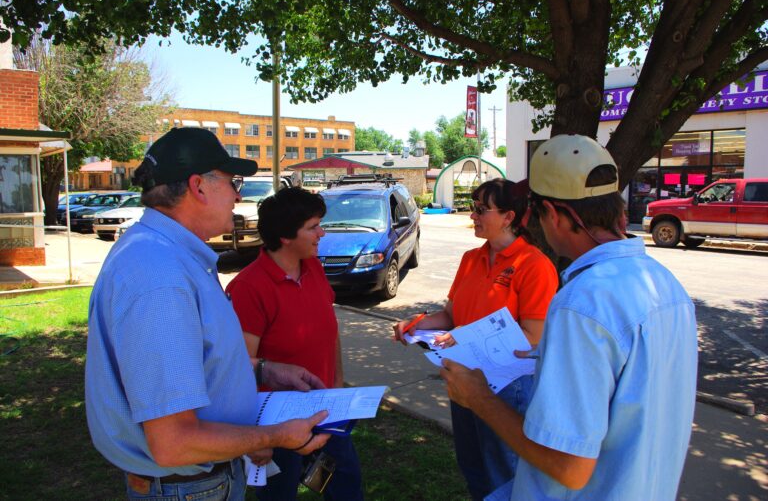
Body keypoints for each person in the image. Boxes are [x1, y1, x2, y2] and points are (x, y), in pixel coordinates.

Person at [441, 134, 698, 500]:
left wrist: (478, 397)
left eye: (535, 212)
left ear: (553, 214)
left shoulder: (582, 304)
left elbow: (569, 467)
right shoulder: (666, 287)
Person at [85, 128, 331, 501]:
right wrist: (275, 436)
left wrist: (264, 370)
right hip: (189, 488)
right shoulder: (161, 276)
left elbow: (193, 361)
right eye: (233, 182)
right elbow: (174, 443)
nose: (238, 194)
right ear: (199, 186)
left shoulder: (167, 256)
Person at [393, 178, 558, 500]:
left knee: (505, 473)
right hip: (463, 378)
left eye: (481, 210)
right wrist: (415, 325)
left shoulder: (534, 265)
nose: (473, 216)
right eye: (473, 208)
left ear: (509, 217)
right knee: (473, 467)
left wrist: (463, 341)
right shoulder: (472, 258)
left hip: (507, 388)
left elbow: (533, 338)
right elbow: (451, 315)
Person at [226, 187, 364, 501]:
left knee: (346, 488)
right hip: (276, 422)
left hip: (327, 409)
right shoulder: (248, 288)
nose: (322, 233)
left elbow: (330, 334)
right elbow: (238, 370)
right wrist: (255, 436)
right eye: (313, 226)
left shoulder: (313, 266)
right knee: (279, 495)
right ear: (286, 237)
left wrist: (337, 387)